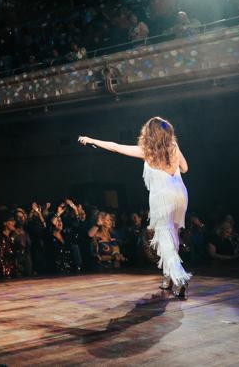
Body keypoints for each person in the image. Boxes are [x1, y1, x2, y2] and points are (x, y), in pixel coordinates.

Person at [79, 116, 192, 297]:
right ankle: (167, 277)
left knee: (165, 238)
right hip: (180, 193)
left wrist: (92, 140)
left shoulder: (147, 151)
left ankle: (179, 278)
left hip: (163, 197)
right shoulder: (174, 147)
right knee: (173, 235)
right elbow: (185, 168)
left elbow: (116, 147)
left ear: (149, 133)